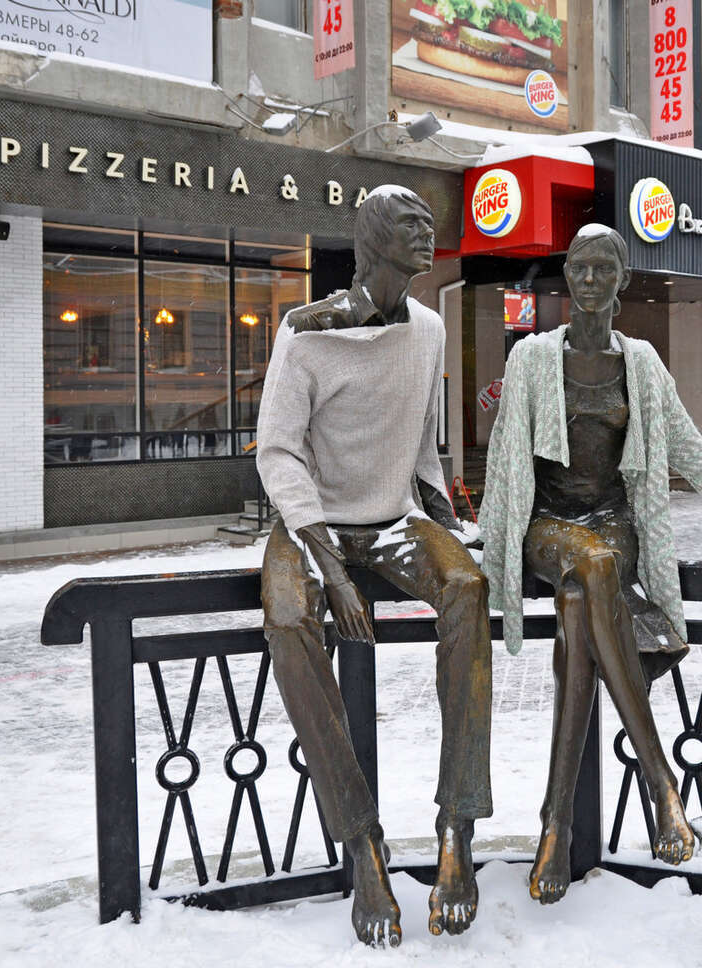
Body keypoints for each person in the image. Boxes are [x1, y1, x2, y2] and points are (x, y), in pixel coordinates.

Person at [479, 224, 702, 906]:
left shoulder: (641, 363)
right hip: (549, 526)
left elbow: (697, 455)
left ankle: (556, 823)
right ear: (566, 276)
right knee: (588, 569)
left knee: (584, 598)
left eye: (602, 268)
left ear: (621, 280)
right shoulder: (532, 357)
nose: (589, 279)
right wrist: (491, 544)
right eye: (578, 268)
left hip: (614, 526)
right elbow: (505, 464)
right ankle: (662, 783)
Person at [256, 186, 490, 947]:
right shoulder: (305, 332)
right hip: (313, 525)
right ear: (374, 238)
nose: (428, 234)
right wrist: (330, 567)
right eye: (412, 224)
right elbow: (277, 451)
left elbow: (422, 444)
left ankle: (456, 829)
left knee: (468, 587)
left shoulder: (429, 329)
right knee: (289, 618)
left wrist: (451, 524)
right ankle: (361, 843)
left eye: (428, 224)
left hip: (394, 519)